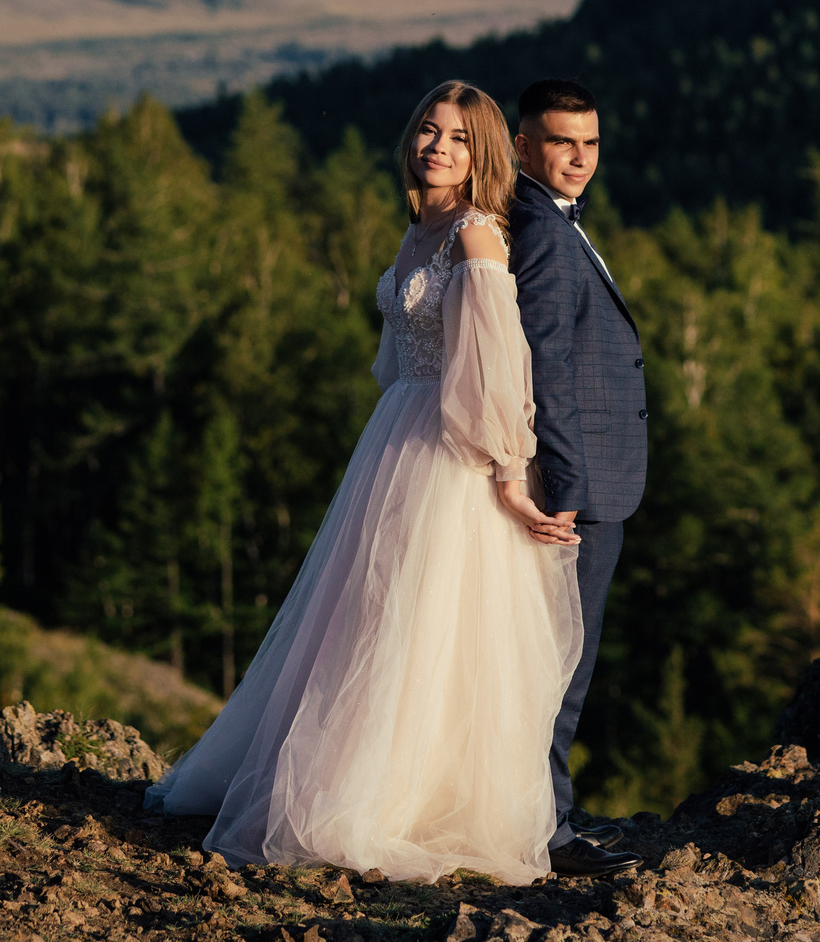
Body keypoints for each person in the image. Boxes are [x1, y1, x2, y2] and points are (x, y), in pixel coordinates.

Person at [145, 80, 584, 884]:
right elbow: (401, 353)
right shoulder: (421, 226)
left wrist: (512, 478)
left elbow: (495, 367)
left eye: (457, 137)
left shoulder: (479, 236)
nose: (438, 146)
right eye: (428, 130)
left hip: (453, 454)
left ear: (483, 154)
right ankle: (339, 781)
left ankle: (396, 803)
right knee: (366, 616)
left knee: (424, 626)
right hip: (398, 434)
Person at [505, 78, 650, 875]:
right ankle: (548, 833)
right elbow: (547, 363)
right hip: (579, 484)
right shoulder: (539, 229)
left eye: (591, 143)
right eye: (562, 142)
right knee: (563, 660)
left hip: (588, 473)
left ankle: (542, 814)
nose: (580, 158)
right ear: (524, 145)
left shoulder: (548, 220)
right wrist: (564, 481)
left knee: (559, 657)